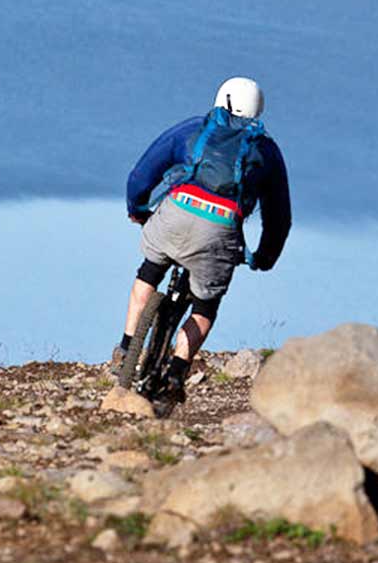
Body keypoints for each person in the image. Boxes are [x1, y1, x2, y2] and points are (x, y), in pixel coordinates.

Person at [116, 76, 291, 405]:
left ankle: (126, 350)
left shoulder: (192, 129)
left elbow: (142, 174)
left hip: (176, 212)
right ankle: (176, 372)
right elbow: (279, 217)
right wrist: (264, 257)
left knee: (149, 272)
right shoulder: (266, 151)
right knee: (205, 306)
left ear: (219, 98)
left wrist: (137, 209)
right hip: (219, 230)